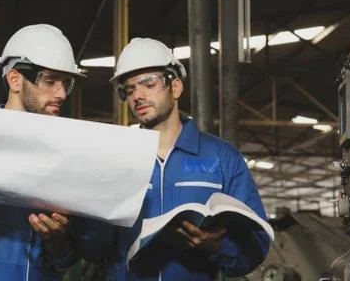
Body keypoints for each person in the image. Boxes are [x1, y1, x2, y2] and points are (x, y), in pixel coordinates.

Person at [107, 38, 270, 280]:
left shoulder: (221, 158)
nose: (137, 96)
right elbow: (94, 246)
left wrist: (217, 246)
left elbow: (257, 245)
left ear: (175, 88)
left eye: (148, 84)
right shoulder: (116, 159)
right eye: (129, 90)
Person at [0, 24, 92, 280]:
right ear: (15, 79)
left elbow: (66, 260)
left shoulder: (68, 154)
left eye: (66, 83)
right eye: (50, 81)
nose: (62, 94)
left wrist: (59, 240)